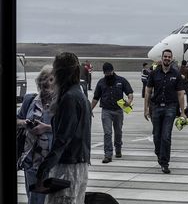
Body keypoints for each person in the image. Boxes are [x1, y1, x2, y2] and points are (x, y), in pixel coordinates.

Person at [35, 52, 92, 203]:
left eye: (55, 69)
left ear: (61, 72)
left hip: (68, 167)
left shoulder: (69, 98)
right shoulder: (80, 95)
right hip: (79, 164)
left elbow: (62, 139)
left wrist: (44, 168)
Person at [144, 49, 188, 174]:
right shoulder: (154, 74)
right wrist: (146, 109)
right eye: (165, 56)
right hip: (156, 107)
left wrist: (182, 112)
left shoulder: (176, 74)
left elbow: (180, 94)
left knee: (166, 136)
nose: (167, 58)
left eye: (169, 57)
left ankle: (165, 163)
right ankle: (159, 153)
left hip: (170, 107)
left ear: (172, 58)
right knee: (157, 136)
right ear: (162, 58)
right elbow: (148, 91)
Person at [16, 66, 54, 204]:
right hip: (30, 159)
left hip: (49, 160)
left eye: (51, 79)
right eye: (44, 79)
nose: (47, 82)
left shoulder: (61, 103)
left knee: (46, 199)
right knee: (32, 198)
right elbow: (16, 119)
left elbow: (66, 129)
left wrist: (46, 128)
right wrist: (24, 123)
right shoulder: (29, 100)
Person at [90, 62, 134, 163]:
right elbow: (96, 98)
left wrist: (129, 101)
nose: (108, 74)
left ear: (113, 70)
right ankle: (108, 154)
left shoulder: (121, 81)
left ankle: (118, 148)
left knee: (118, 132)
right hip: (106, 111)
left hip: (118, 111)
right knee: (107, 133)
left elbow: (129, 93)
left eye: (109, 72)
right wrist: (89, 109)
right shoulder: (101, 82)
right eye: (106, 73)